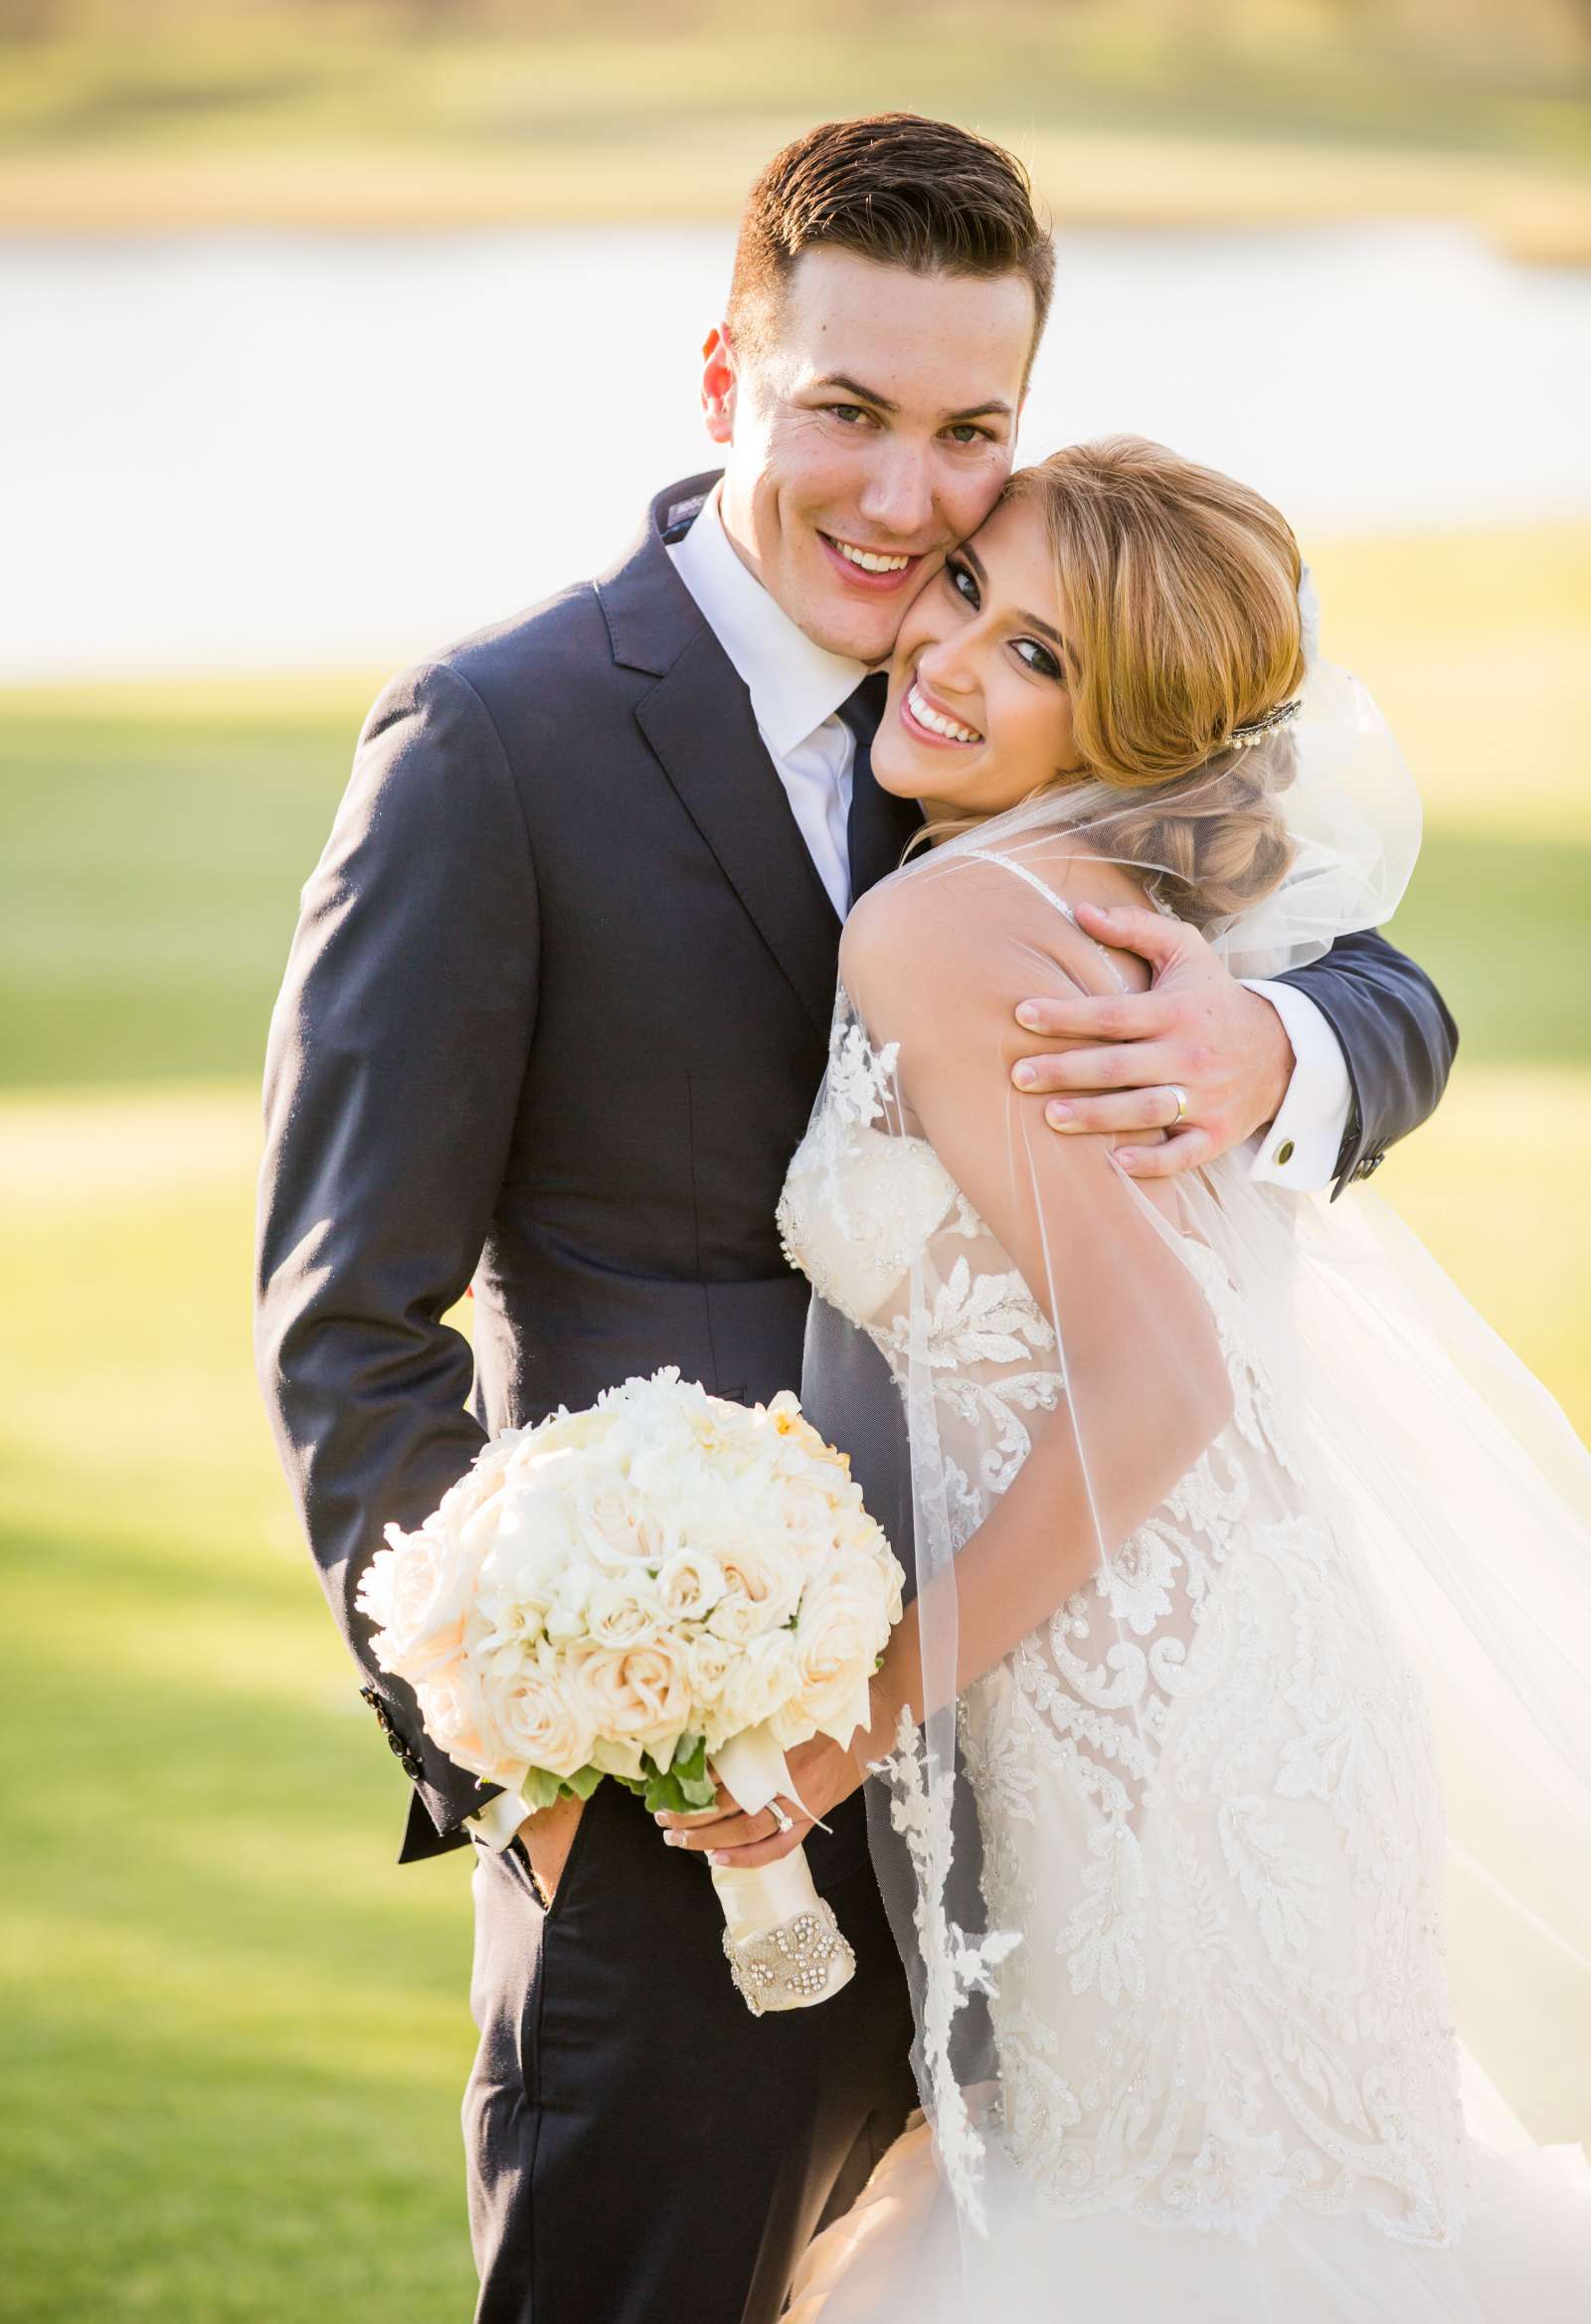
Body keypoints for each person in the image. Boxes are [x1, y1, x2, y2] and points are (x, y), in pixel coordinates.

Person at [255, 118, 1457, 2324]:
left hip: (1080, 1771)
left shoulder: (1043, 694)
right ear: (726, 376)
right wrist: (512, 1753)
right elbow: (347, 1315)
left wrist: (1279, 1048)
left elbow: (1357, 948)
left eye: (966, 433)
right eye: (844, 414)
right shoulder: (493, 739)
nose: (907, 506)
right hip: (691, 1793)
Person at [665, 437, 1591, 2318]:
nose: (953, 660)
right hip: (1205, 1670)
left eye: (1043, 664)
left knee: (1193, 2228)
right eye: (967, 595)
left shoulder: (943, 922)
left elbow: (1154, 1388)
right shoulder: (1053, 899)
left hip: (1161, 1725)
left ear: (1140, 730)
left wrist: (852, 1716)